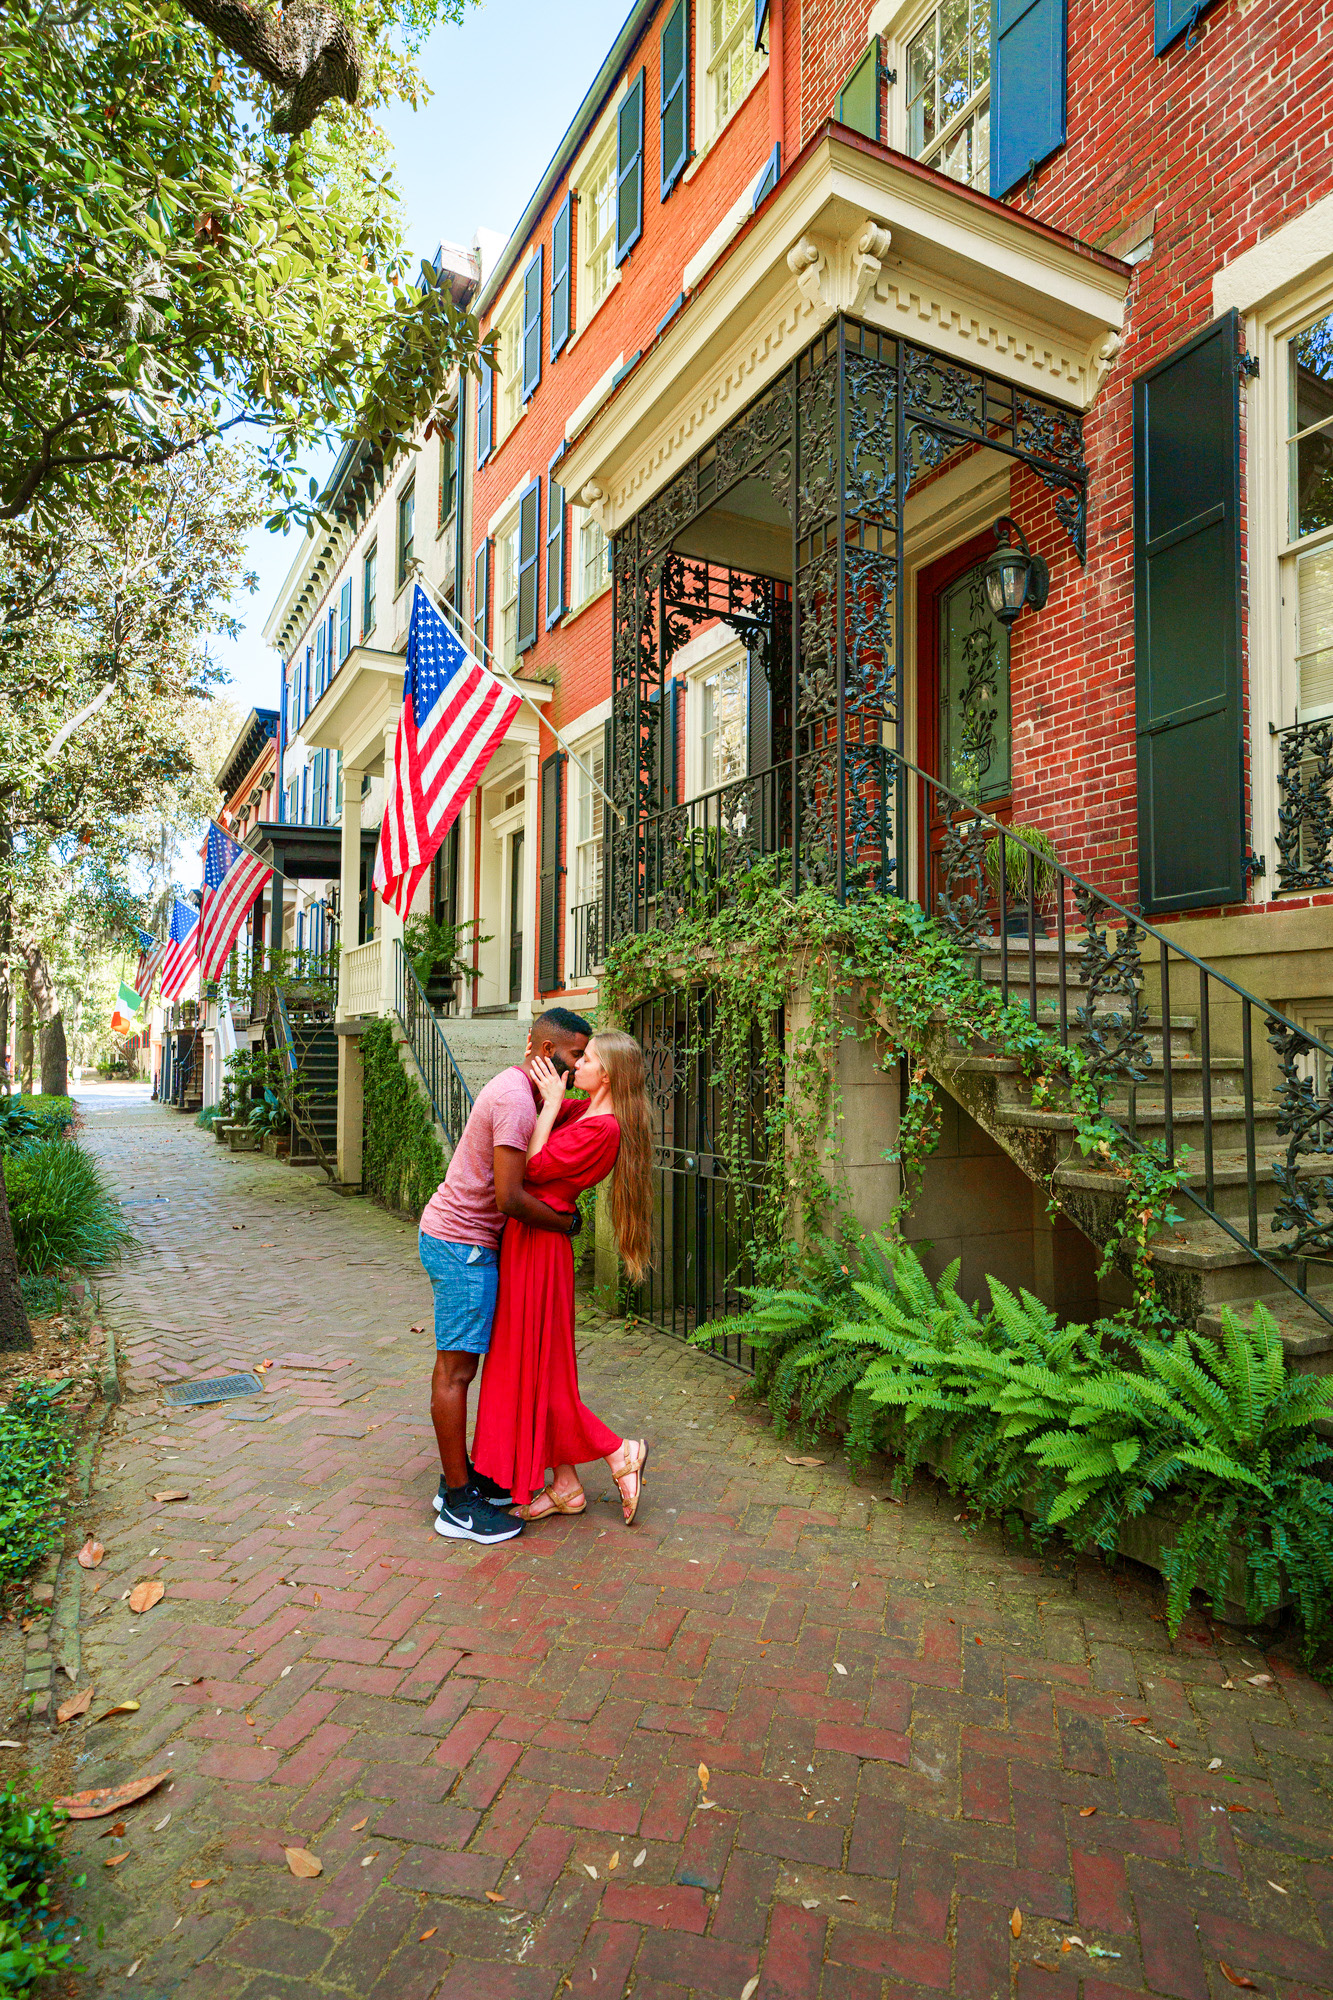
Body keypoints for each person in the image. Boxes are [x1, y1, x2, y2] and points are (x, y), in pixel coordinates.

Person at [418, 1006, 591, 1545]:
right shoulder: (517, 1101)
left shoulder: (526, 1091)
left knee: (463, 1367)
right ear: (546, 1053)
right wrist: (567, 1224)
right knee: (456, 1371)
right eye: (575, 1056)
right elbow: (510, 1198)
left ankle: (466, 1482)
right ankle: (457, 1502)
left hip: (466, 1242)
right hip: (462, 1244)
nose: (579, 1065)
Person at [471, 1029, 653, 1526]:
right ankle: (567, 1485)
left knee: (541, 1366)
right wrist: (539, 1068)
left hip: (542, 1246)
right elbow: (532, 1119)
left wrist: (551, 1104)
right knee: (536, 1365)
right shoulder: (585, 1111)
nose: (577, 1068)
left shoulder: (604, 1129)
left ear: (608, 1074)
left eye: (587, 1059)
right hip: (528, 1239)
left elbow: (531, 1167)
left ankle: (619, 1451)